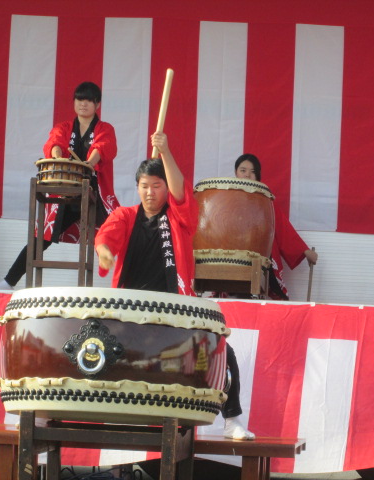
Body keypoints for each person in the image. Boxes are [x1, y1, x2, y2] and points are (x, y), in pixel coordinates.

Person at [95, 132, 255, 440]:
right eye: (145, 186)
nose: (150, 192)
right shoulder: (125, 216)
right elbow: (106, 236)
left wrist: (166, 151)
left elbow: (181, 194)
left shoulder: (180, 219)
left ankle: (232, 420)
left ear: (166, 188)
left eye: (157, 186)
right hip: (130, 314)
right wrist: (103, 251)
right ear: (137, 188)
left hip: (175, 311)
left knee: (224, 352)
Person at [0, 82, 118, 290]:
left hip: (95, 193)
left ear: (97, 104)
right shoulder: (64, 127)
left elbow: (103, 147)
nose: (83, 104)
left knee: (116, 231)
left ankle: (127, 282)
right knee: (41, 238)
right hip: (66, 191)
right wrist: (58, 158)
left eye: (88, 100)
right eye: (79, 99)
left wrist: (89, 163)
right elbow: (55, 143)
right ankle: (8, 281)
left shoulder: (105, 129)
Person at [234, 154, 318, 300]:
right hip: (232, 255)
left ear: (258, 176)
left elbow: (282, 228)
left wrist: (304, 251)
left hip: (259, 256)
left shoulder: (266, 200)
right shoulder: (224, 199)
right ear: (236, 173)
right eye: (243, 170)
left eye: (252, 172)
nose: (247, 175)